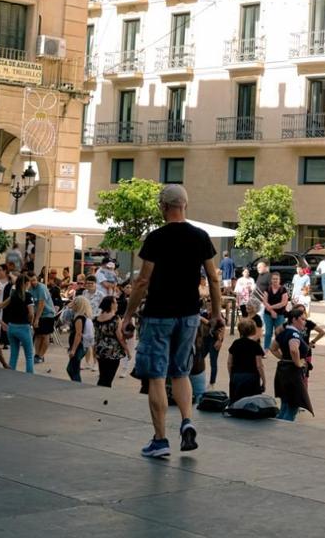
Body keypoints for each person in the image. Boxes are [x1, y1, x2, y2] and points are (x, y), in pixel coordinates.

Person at [121, 184, 223, 459]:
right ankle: (187, 420)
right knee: (181, 372)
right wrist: (215, 313)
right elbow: (214, 278)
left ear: (163, 207)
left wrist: (128, 315)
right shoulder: (201, 236)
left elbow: (142, 280)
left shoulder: (156, 238)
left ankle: (160, 439)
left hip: (158, 314)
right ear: (185, 205)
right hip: (189, 314)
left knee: (156, 375)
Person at [271, 308, 314, 421]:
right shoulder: (294, 334)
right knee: (292, 406)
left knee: (285, 405)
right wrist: (297, 362)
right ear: (294, 320)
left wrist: (284, 358)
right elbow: (294, 350)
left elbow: (273, 348)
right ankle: (285, 432)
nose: (304, 322)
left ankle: (279, 429)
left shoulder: (284, 333)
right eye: (302, 319)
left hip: (283, 371)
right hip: (292, 374)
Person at [0, 273, 34, 374]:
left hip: (11, 327)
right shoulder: (28, 296)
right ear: (26, 283)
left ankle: (11, 375)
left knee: (13, 354)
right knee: (29, 355)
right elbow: (31, 313)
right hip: (23, 327)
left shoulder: (13, 295)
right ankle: (30, 376)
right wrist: (31, 322)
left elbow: (1, 306)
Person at [93, 295, 129, 387]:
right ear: (111, 304)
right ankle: (103, 396)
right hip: (113, 351)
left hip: (100, 350)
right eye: (115, 302)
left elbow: (96, 336)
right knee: (108, 378)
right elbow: (120, 337)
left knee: (103, 376)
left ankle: (98, 394)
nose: (117, 304)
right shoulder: (116, 319)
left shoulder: (97, 318)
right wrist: (127, 350)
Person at [227, 318, 266, 402]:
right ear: (253, 330)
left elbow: (229, 362)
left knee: (236, 402)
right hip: (251, 377)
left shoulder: (235, 343)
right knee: (251, 403)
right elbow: (259, 365)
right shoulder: (255, 345)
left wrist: (231, 376)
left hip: (236, 375)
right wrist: (264, 381)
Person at [259, 272, 289, 351]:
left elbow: (283, 303)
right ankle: (266, 349)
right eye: (273, 279)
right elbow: (264, 301)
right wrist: (272, 311)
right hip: (268, 314)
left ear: (279, 280)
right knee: (268, 333)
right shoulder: (267, 289)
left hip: (280, 314)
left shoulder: (283, 289)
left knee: (279, 332)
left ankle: (280, 348)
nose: (275, 280)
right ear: (271, 280)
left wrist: (271, 307)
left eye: (276, 279)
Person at [30, 273, 56, 364]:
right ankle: (37, 354)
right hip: (37, 314)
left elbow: (41, 304)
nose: (33, 282)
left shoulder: (41, 288)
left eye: (34, 280)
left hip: (47, 314)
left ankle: (41, 355)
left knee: (45, 335)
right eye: (31, 280)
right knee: (38, 335)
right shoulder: (29, 289)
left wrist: (36, 319)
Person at [65, 295, 93, 383]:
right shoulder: (83, 316)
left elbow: (78, 334)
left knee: (73, 369)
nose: (72, 305)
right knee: (72, 368)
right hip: (80, 345)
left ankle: (77, 384)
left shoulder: (79, 318)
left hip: (78, 346)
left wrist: (73, 349)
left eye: (74, 303)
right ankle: (76, 383)